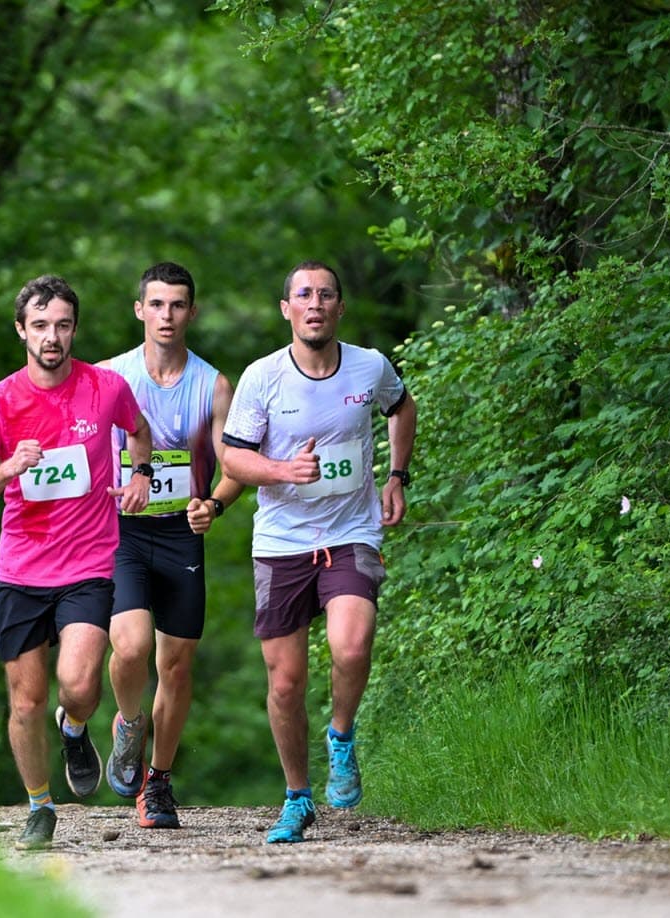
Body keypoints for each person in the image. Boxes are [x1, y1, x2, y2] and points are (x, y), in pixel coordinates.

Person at [0, 274, 154, 850]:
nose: (52, 337)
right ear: (22, 330)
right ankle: (40, 807)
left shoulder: (105, 387)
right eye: (40, 326)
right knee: (24, 700)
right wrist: (9, 468)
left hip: (89, 562)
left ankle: (75, 728)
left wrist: (139, 474)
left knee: (80, 682)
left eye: (62, 325)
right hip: (20, 570)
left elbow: (138, 432)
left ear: (74, 330)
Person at [219, 261, 416, 844]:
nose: (314, 303)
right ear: (286, 309)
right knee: (286, 683)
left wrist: (397, 476)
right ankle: (297, 798)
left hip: (351, 530)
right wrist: (283, 469)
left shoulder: (370, 366)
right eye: (303, 295)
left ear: (339, 308)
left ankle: (342, 736)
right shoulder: (262, 378)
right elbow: (233, 458)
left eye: (325, 294)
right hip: (281, 542)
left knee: (351, 646)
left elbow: (401, 408)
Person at [98, 262, 244, 829]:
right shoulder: (111, 376)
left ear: (192, 312)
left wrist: (215, 504)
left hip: (181, 530)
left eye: (177, 305)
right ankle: (129, 722)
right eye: (156, 305)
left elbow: (232, 466)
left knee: (177, 666)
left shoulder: (213, 384)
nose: (166, 315)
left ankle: (157, 783)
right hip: (122, 530)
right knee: (131, 647)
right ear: (139, 310)